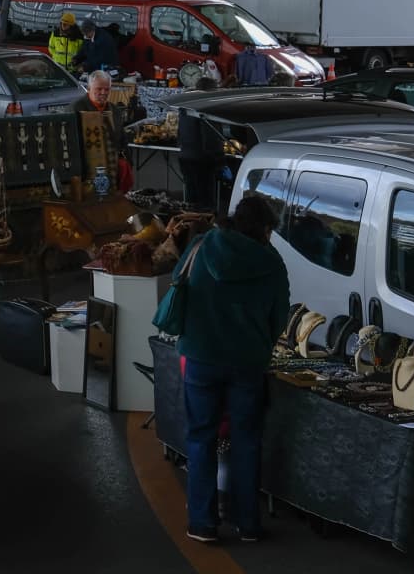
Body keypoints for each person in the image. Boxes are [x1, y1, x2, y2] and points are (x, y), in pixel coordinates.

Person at [174, 194, 289, 544]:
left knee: (201, 438)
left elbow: (180, 285)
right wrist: (260, 342)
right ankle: (248, 524)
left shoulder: (201, 245)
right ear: (265, 229)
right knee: (246, 440)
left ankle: (202, 523)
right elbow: (279, 317)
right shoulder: (271, 261)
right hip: (247, 363)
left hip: (201, 357)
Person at [178, 78, 224, 210]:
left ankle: (191, 225)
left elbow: (180, 132)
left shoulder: (185, 105)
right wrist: (219, 159)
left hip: (185, 156)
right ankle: (204, 226)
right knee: (206, 202)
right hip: (202, 159)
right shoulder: (207, 107)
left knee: (192, 199)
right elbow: (211, 137)